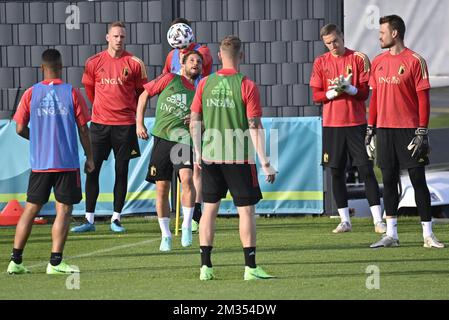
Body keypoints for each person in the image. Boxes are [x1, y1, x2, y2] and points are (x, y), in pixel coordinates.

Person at [190, 35, 277, 281]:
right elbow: (254, 126)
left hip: (210, 156)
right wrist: (265, 162)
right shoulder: (246, 84)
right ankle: (250, 268)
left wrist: (197, 151)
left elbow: (195, 121)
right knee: (246, 212)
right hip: (238, 158)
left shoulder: (204, 84)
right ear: (242, 56)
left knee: (209, 211)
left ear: (219, 56)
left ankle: (205, 268)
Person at [7, 49, 94, 274]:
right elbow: (84, 128)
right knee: (63, 210)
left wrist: (36, 138)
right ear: (61, 67)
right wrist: (90, 157)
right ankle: (55, 263)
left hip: (40, 163)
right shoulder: (71, 92)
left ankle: (15, 261)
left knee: (31, 209)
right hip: (66, 162)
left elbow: (18, 128)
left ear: (41, 68)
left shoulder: (30, 93)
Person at [367, 15, 444, 248]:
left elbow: (424, 99)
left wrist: (422, 130)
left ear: (395, 33)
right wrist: (370, 128)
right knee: (388, 181)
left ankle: (428, 235)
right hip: (385, 130)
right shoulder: (378, 61)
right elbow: (375, 99)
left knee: (417, 180)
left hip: (409, 131)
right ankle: (391, 235)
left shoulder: (415, 61)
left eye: (382, 32)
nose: (379, 36)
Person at [71, 21, 148, 233]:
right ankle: (89, 219)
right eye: (115, 36)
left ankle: (116, 218)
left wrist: (137, 119)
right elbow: (90, 90)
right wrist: (101, 110)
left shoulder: (135, 63)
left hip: (125, 126)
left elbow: (143, 94)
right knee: (92, 169)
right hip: (99, 125)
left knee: (121, 171)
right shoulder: (93, 62)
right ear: (107, 38)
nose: (119, 40)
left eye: (122, 36)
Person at [310, 24, 386, 234]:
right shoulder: (320, 62)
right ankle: (345, 220)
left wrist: (350, 89)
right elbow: (316, 95)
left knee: (365, 170)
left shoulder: (358, 58)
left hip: (356, 124)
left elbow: (364, 94)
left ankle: (378, 220)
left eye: (335, 41)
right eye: (328, 43)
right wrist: (332, 93)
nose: (333, 46)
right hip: (332, 125)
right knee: (336, 172)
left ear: (342, 37)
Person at [136, 50, 203, 251]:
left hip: (182, 140)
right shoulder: (169, 79)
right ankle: (165, 235)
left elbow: (205, 121)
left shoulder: (199, 91)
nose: (196, 63)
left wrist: (199, 119)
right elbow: (144, 94)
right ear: (182, 63)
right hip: (161, 139)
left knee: (187, 179)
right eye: (192, 60)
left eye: (199, 62)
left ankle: (187, 226)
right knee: (162, 189)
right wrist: (139, 123)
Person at [164, 18, 213, 233]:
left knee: (197, 167)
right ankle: (188, 213)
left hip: (198, 111)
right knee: (183, 169)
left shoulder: (202, 51)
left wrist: (197, 115)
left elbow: (202, 75)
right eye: (178, 47)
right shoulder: (170, 56)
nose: (181, 50)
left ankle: (197, 212)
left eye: (183, 45)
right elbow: (170, 83)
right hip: (178, 117)